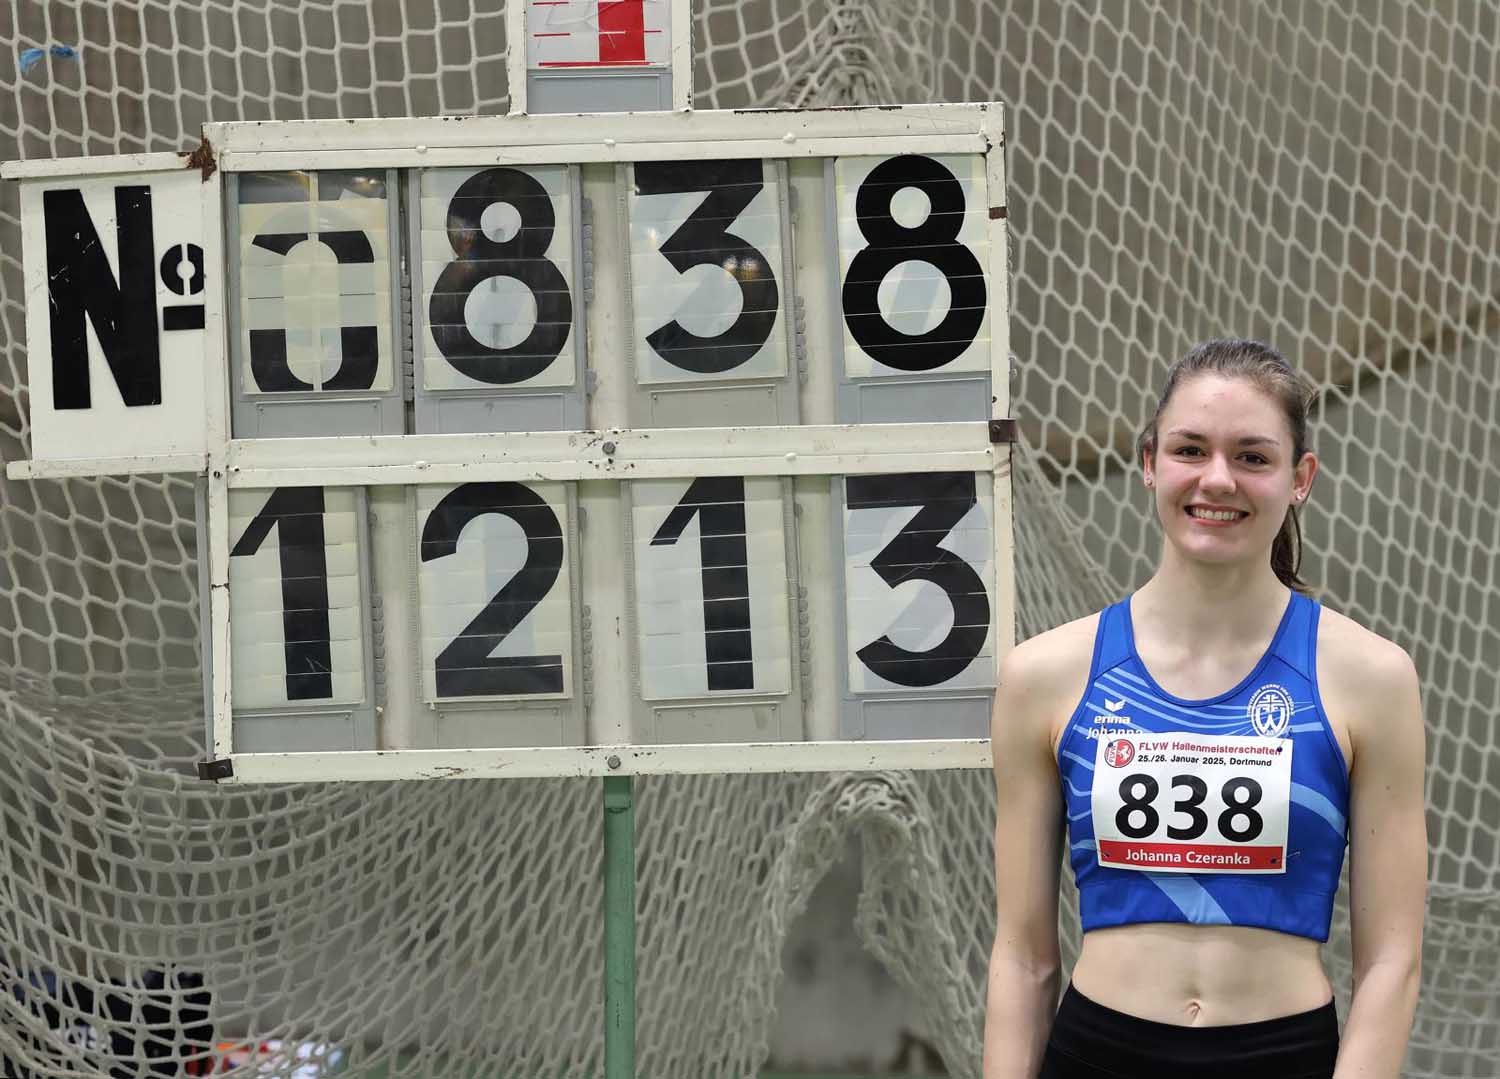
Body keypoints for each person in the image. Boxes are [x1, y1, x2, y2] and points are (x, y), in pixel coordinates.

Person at [982, 339, 1427, 1078]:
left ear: (1300, 478)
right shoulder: (1043, 676)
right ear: (1150, 460)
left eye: (1253, 457)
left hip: (1283, 1053)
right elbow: (1022, 956)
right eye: (1191, 449)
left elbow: (1391, 959)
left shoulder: (1372, 679)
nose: (1217, 478)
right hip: (1097, 1052)